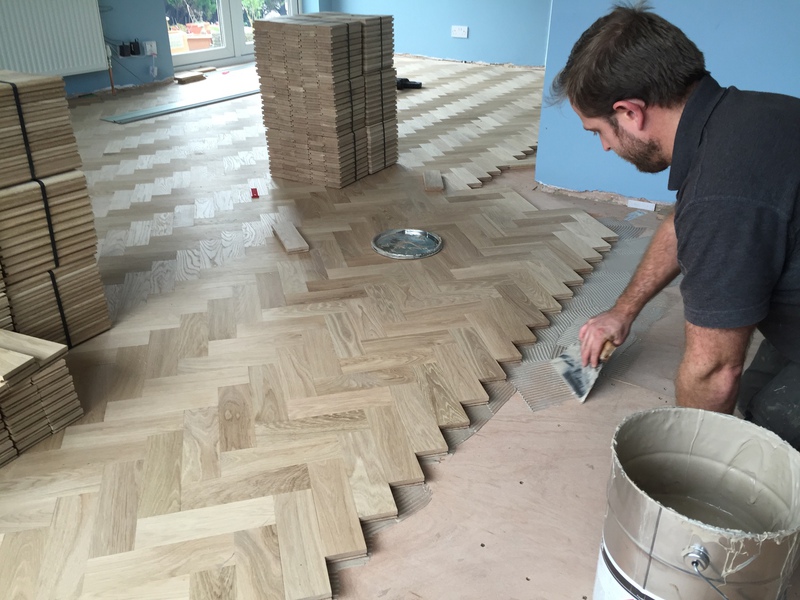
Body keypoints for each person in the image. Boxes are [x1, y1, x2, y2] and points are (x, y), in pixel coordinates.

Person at [550, 2, 800, 448]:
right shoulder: (747, 117)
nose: (605, 148)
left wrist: (687, 467)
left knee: (767, 432)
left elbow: (715, 372)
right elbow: (686, 219)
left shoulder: (722, 192)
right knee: (760, 391)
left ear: (629, 112)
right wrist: (622, 312)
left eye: (597, 131)